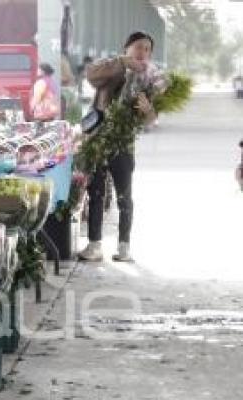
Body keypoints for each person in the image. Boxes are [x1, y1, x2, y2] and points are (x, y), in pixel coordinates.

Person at [78, 31, 157, 263]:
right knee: (96, 193)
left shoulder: (149, 81)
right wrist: (121, 62)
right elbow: (91, 75)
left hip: (123, 144)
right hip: (100, 141)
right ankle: (94, 246)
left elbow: (151, 119)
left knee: (125, 196)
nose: (143, 52)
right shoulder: (114, 67)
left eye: (147, 49)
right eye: (139, 47)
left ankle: (124, 247)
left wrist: (147, 110)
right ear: (127, 48)